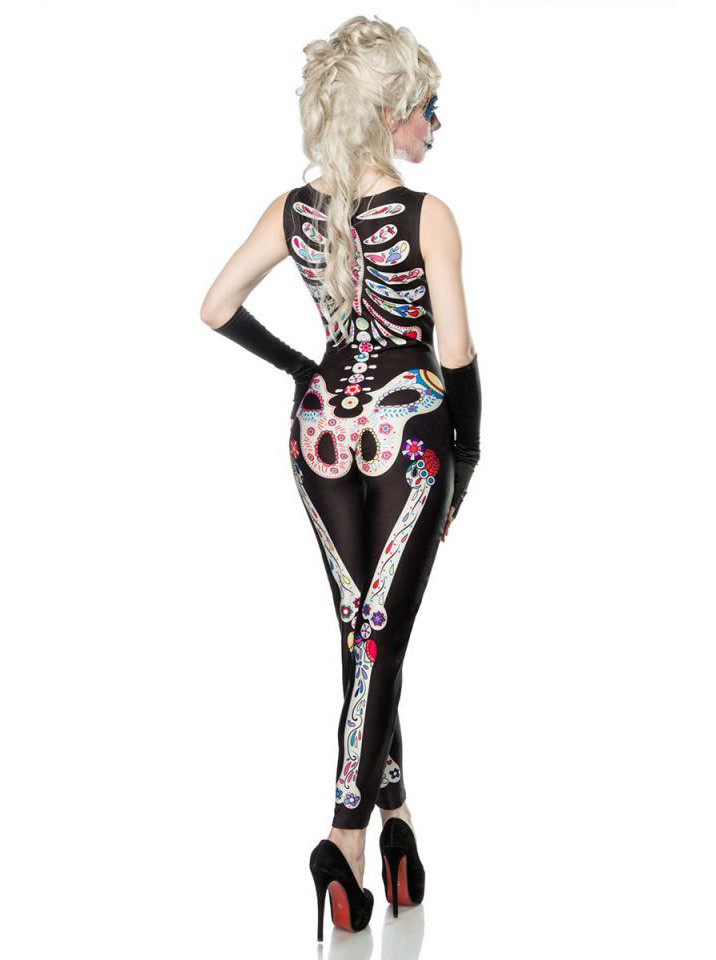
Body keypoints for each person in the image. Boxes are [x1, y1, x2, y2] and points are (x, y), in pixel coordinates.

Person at [200, 15, 481, 940]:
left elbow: (216, 306)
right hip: (409, 437)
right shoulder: (428, 216)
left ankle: (398, 829)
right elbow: (455, 354)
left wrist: (300, 369)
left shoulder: (296, 211)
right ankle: (344, 840)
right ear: (392, 112)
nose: (435, 124)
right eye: (428, 107)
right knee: (379, 640)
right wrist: (468, 461)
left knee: (365, 637)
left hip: (320, 430)